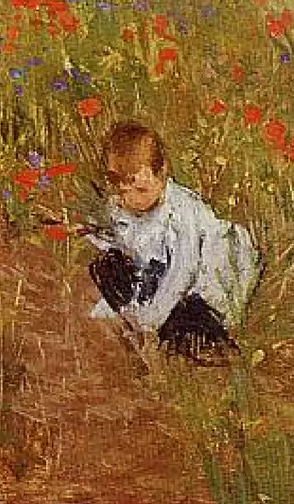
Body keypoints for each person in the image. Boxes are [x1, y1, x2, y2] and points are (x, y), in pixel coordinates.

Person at [85, 122, 260, 362]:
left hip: (201, 291)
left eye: (141, 190)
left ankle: (209, 347)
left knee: (185, 324)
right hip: (155, 279)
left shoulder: (182, 212)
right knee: (106, 264)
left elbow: (183, 272)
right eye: (124, 192)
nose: (132, 200)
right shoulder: (122, 206)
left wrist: (151, 321)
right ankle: (135, 325)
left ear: (162, 173)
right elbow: (130, 246)